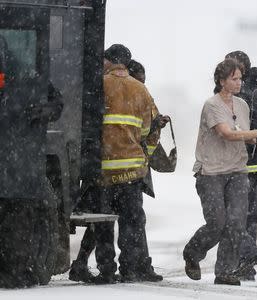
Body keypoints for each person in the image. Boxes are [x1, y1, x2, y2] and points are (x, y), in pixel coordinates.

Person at [183, 58, 257, 286]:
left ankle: (226, 271)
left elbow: (240, 132)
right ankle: (192, 253)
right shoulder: (212, 105)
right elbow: (226, 133)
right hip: (211, 172)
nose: (239, 83)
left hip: (238, 170)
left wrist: (255, 138)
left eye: (240, 78)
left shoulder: (243, 105)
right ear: (221, 80)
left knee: (237, 222)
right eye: (234, 78)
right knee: (217, 223)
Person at [92, 44, 163, 284]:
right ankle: (130, 268)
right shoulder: (140, 89)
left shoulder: (100, 84)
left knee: (103, 221)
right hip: (132, 169)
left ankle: (106, 269)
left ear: (109, 61)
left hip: (104, 168)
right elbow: (146, 129)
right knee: (131, 221)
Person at [0, 34, 63, 288]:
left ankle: (15, 272)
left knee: (17, 221)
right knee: (17, 220)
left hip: (20, 169)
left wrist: (44, 111)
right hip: (19, 168)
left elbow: (56, 103)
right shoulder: (29, 78)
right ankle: (15, 272)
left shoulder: (30, 80)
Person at [225, 51, 257, 281]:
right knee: (249, 217)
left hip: (241, 163)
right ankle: (245, 264)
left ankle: (244, 258)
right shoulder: (253, 89)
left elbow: (233, 129)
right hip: (256, 164)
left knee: (234, 216)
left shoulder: (241, 92)